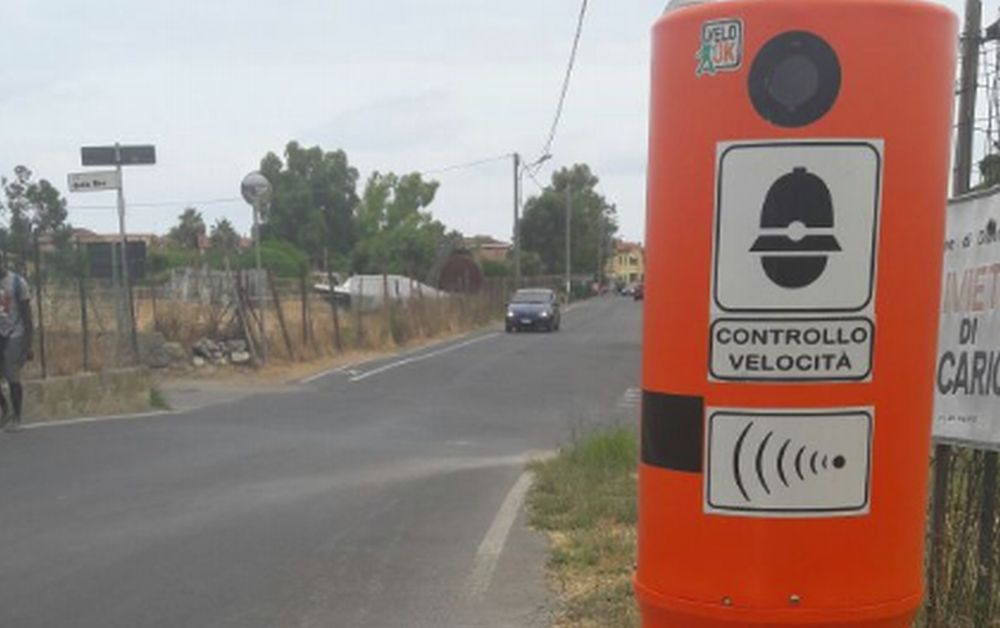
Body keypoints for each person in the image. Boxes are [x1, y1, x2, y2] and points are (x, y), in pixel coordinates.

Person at [0, 257, 33, 432]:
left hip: (15, 332)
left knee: (12, 376)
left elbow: (27, 316)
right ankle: (4, 409)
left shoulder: (17, 283)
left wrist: (28, 345)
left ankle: (17, 417)